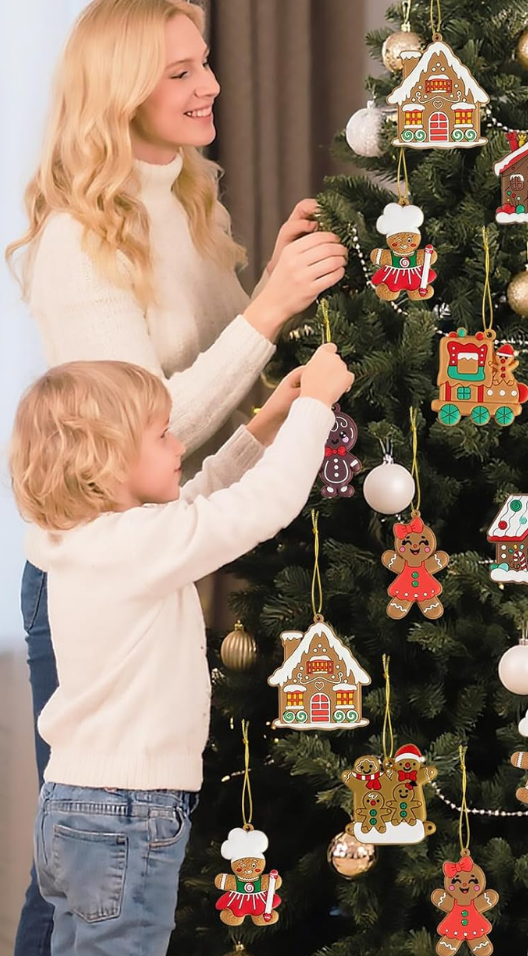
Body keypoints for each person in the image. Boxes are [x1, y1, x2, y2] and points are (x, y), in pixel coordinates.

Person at [5, 0, 347, 954]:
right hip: (110, 577)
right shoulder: (80, 241)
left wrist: (269, 301)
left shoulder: (190, 202)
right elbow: (142, 438)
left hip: (171, 549)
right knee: (85, 879)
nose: (214, 84)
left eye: (204, 62)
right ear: (120, 93)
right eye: (182, 71)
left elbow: (224, 396)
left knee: (101, 886)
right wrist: (267, 313)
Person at [7, 344, 352, 956]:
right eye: (163, 435)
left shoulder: (81, 540)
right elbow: (255, 510)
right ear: (107, 463)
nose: (178, 446)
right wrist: (314, 410)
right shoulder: (135, 547)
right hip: (127, 813)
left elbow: (196, 501)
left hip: (69, 806)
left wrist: (263, 425)